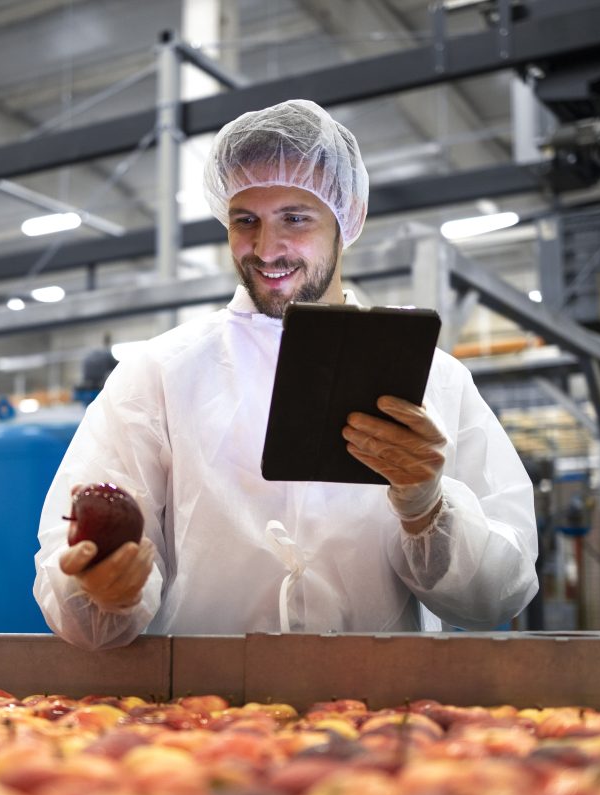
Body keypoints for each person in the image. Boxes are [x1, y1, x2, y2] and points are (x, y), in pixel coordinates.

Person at [33, 99, 538, 650]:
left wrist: (427, 508)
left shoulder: (435, 381)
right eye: (245, 220)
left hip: (377, 711)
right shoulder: (159, 374)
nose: (267, 249)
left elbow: (498, 596)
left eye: (295, 218)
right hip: (204, 715)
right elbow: (77, 557)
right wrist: (107, 588)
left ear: (349, 217)